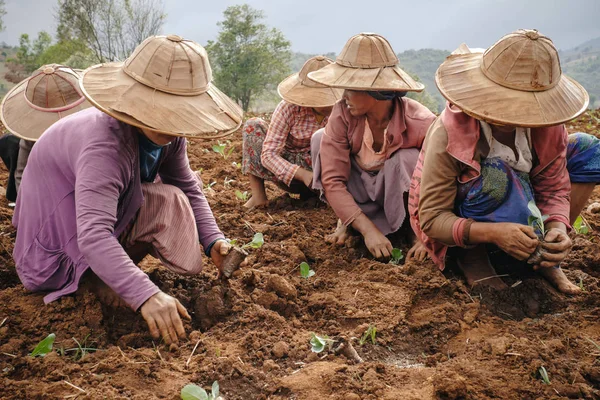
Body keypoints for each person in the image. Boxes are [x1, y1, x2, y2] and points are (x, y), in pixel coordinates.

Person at [12, 35, 243, 344]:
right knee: (149, 205)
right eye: (164, 109)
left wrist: (213, 240)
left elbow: (186, 185)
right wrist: (146, 294)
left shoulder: (172, 137)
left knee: (169, 196)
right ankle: (92, 279)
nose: (172, 122)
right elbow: (93, 233)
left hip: (95, 223)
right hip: (52, 250)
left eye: (180, 111)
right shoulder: (106, 145)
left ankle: (109, 272)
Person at [409, 30, 594, 293]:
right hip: (464, 217)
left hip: (521, 200)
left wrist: (557, 227)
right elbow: (433, 218)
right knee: (497, 173)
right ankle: (473, 257)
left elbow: (553, 187)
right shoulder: (450, 131)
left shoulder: (548, 127)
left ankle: (542, 252)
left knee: (589, 148)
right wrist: (493, 233)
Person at [308, 33, 436, 260]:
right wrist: (368, 232)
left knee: (408, 158)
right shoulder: (342, 114)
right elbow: (333, 181)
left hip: (399, 196)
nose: (344, 96)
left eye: (352, 88)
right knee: (320, 138)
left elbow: (439, 182)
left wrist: (427, 235)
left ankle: (411, 230)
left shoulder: (420, 122)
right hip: (359, 188)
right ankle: (350, 223)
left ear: (376, 91)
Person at [242, 56, 342, 208]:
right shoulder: (289, 108)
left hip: (324, 174)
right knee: (253, 125)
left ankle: (320, 198)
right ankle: (258, 197)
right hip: (287, 170)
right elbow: (269, 155)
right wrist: (303, 174)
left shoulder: (343, 110)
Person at [0, 64, 90, 201]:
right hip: (51, 190)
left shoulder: (92, 125)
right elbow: (22, 173)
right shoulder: (32, 135)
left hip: (85, 184)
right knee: (9, 141)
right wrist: (27, 205)